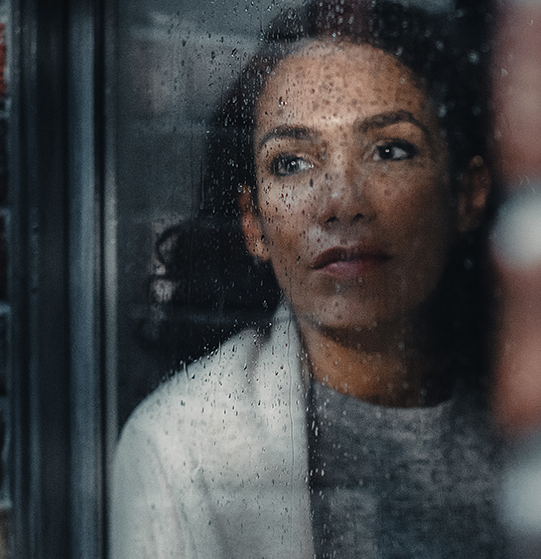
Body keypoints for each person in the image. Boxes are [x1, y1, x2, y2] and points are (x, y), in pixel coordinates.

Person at [110, 1, 503, 557]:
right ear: (253, 224)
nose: (341, 203)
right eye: (292, 163)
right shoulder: (182, 452)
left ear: (466, 194)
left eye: (389, 150)